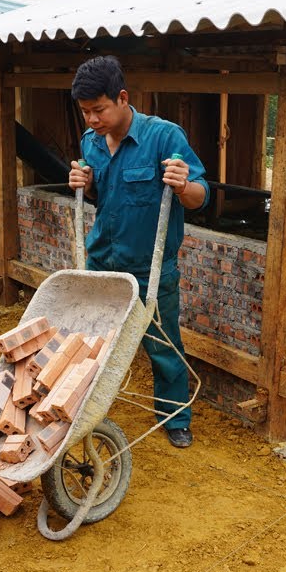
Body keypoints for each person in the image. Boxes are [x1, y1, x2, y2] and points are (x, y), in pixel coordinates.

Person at [67, 56, 208, 449]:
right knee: (93, 340)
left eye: (99, 109)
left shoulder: (164, 137)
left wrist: (182, 185)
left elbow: (200, 197)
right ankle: (82, 407)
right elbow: (100, 196)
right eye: (85, 112)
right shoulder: (90, 142)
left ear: (123, 98)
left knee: (163, 346)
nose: (92, 119)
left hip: (150, 268)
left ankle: (175, 415)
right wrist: (86, 184)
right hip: (101, 262)